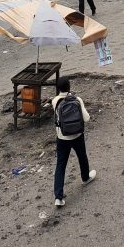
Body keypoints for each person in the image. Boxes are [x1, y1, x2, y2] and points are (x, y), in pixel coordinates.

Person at [51, 76, 95, 207]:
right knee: (82, 157)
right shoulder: (77, 99)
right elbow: (87, 118)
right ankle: (85, 178)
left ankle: (58, 197)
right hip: (77, 136)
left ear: (58, 88)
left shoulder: (55, 101)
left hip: (62, 138)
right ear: (69, 87)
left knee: (60, 165)